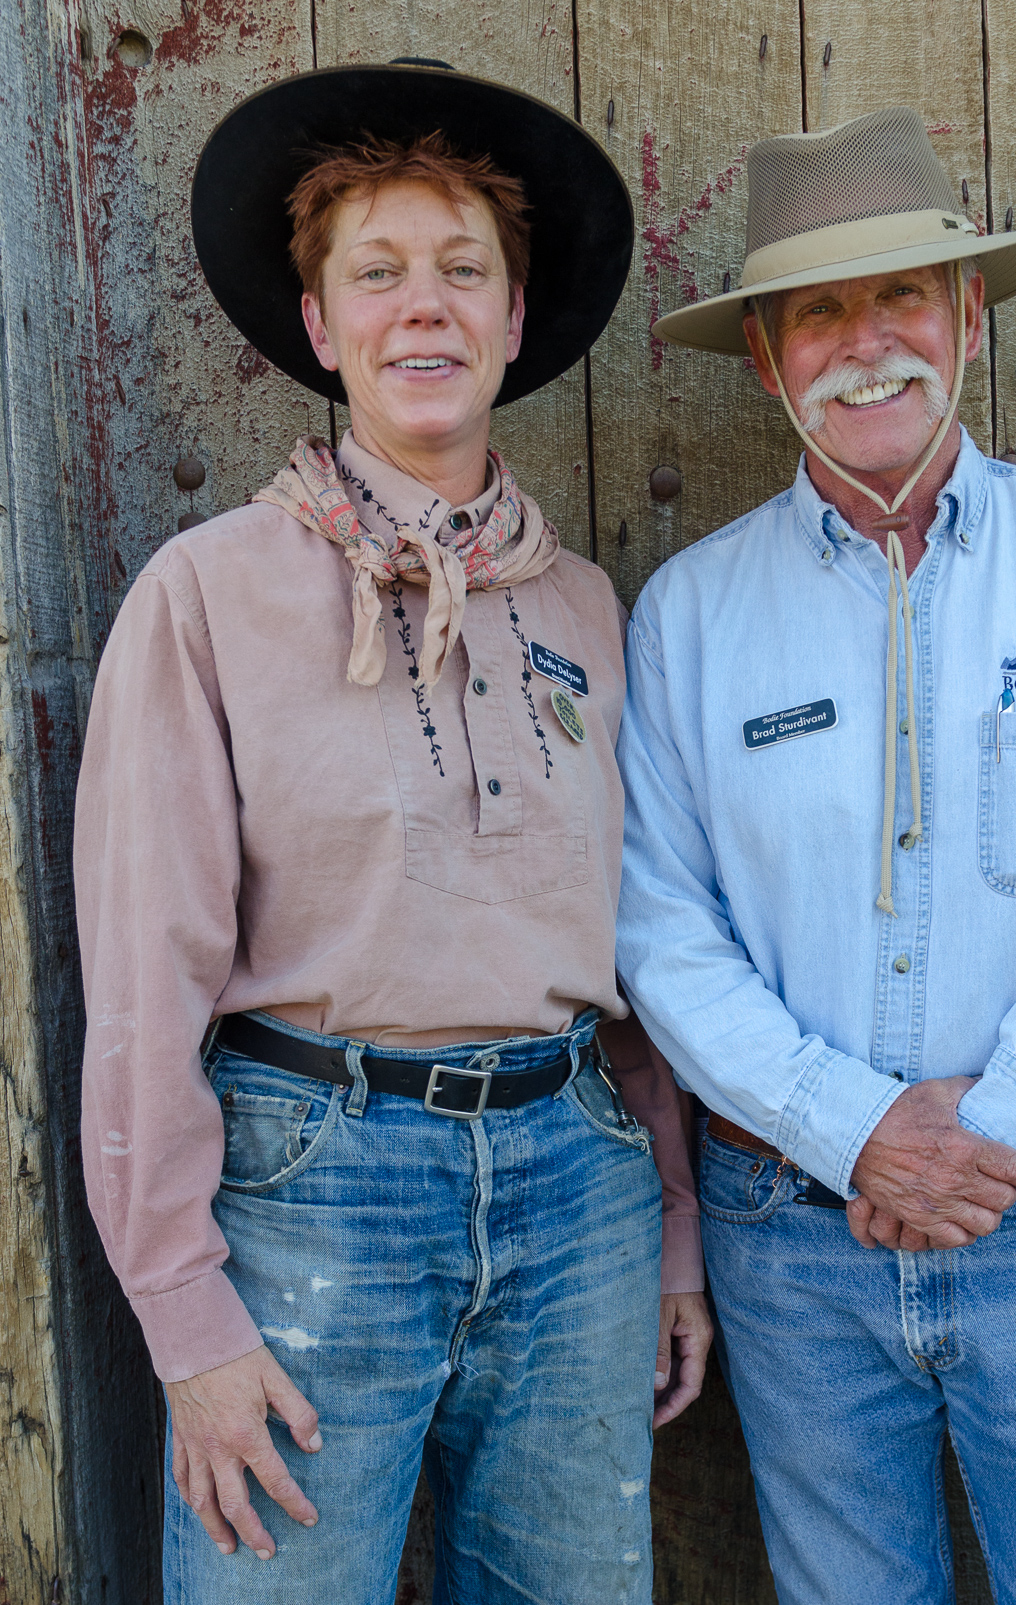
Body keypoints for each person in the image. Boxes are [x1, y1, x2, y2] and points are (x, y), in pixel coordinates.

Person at [75, 59, 711, 1605]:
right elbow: (144, 978)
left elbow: (628, 944)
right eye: (377, 272)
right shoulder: (209, 592)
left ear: (509, 319)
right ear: (321, 328)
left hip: (576, 1189)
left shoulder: (580, 607)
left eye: (460, 271)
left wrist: (673, 1233)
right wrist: (187, 1313)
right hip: (313, 1184)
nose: (420, 307)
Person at [614, 104, 1016, 1604]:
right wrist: (849, 1124)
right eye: (815, 313)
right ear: (765, 361)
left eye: (898, 295)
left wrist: (1003, 1117)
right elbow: (657, 922)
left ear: (966, 315)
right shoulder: (690, 616)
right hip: (792, 1246)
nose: (863, 342)